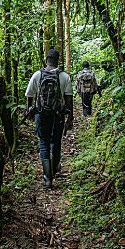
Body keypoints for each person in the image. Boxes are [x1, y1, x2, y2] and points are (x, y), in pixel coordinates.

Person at [25, 48, 73, 189]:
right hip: (57, 115)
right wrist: (70, 117)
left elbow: (29, 95)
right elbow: (68, 98)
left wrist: (29, 111)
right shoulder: (64, 76)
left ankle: (47, 179)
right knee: (56, 142)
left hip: (41, 114)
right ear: (57, 60)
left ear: (46, 60)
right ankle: (53, 169)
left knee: (44, 143)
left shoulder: (37, 75)